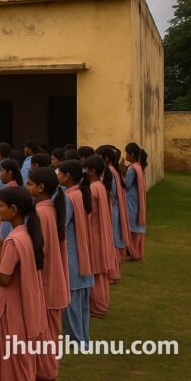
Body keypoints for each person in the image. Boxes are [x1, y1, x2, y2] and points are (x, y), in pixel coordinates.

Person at [0, 186, 46, 381]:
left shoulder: (13, 240)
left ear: (13, 209)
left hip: (12, 310)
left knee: (12, 362)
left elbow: (4, 279)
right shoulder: (26, 234)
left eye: (1, 206)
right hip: (24, 307)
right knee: (22, 360)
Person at [27, 168, 69, 381]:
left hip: (46, 281)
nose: (28, 188)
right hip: (53, 280)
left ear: (41, 188)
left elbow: (38, 251)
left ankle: (46, 372)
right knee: (49, 331)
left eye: (31, 184)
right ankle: (47, 370)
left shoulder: (41, 213)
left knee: (44, 332)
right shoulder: (49, 208)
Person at [57, 160, 94, 345]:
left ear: (68, 176)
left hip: (72, 253)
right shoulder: (79, 193)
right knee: (80, 302)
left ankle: (76, 340)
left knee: (71, 302)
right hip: (81, 253)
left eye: (60, 173)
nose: (58, 176)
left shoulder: (69, 197)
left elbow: (61, 225)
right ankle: (83, 337)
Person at [84, 155, 113, 318]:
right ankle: (100, 305)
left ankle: (98, 307)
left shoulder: (93, 188)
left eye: (86, 168)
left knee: (96, 271)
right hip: (99, 231)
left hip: (94, 232)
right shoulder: (100, 186)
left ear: (92, 171)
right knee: (99, 272)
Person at [96, 145, 130, 282]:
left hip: (112, 209)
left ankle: (112, 273)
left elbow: (112, 193)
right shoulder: (115, 170)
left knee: (112, 240)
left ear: (106, 158)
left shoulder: (109, 171)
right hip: (115, 209)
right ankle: (115, 271)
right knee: (115, 239)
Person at [124, 142, 148, 261]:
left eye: (127, 153)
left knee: (131, 225)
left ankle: (133, 253)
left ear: (131, 154)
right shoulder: (140, 166)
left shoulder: (132, 168)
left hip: (130, 199)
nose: (126, 156)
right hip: (137, 199)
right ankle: (137, 252)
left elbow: (126, 184)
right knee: (136, 224)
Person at [0, 159, 23, 240]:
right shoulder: (16, 187)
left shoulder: (9, 190)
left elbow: (6, 214)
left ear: (10, 173)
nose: (0, 174)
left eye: (2, 171)